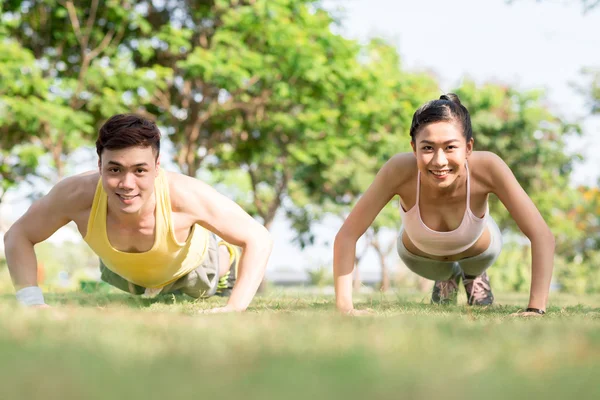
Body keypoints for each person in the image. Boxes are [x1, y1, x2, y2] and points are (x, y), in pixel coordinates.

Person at [4, 114, 273, 313]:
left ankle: (224, 271)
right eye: (115, 169)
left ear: (157, 167)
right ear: (99, 165)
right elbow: (19, 235)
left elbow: (259, 238)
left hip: (198, 272)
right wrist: (31, 303)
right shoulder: (75, 195)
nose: (127, 184)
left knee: (218, 267)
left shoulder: (185, 195)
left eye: (140, 170)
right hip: (127, 276)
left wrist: (234, 308)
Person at [333, 94, 554, 317]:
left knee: (475, 261)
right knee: (443, 270)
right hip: (421, 259)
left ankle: (474, 277)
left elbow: (541, 234)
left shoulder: (488, 166)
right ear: (414, 148)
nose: (439, 161)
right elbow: (347, 235)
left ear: (468, 147)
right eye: (428, 148)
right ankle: (447, 279)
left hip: (479, 254)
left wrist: (535, 309)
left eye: (450, 147)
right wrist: (345, 309)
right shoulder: (398, 169)